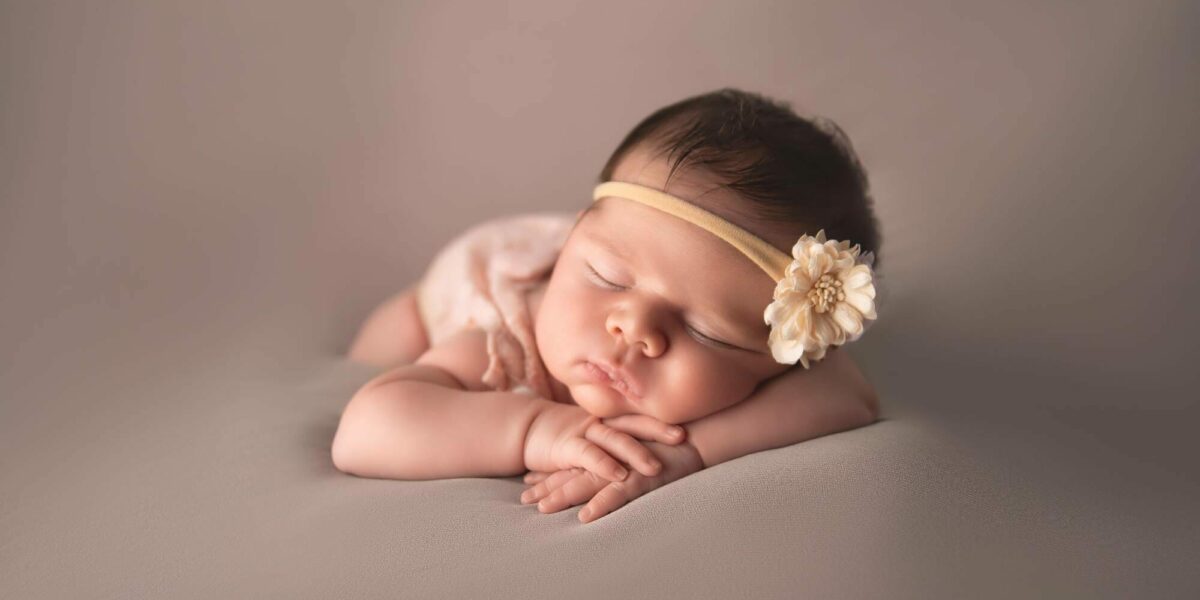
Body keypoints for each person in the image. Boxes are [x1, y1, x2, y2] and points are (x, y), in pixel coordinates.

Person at [334, 88, 885, 524]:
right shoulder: (501, 345)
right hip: (477, 273)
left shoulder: (774, 360)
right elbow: (365, 431)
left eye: (707, 332)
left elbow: (849, 394)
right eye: (606, 278)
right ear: (575, 243)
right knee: (390, 341)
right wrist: (536, 430)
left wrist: (691, 451)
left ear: (779, 358)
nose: (634, 328)